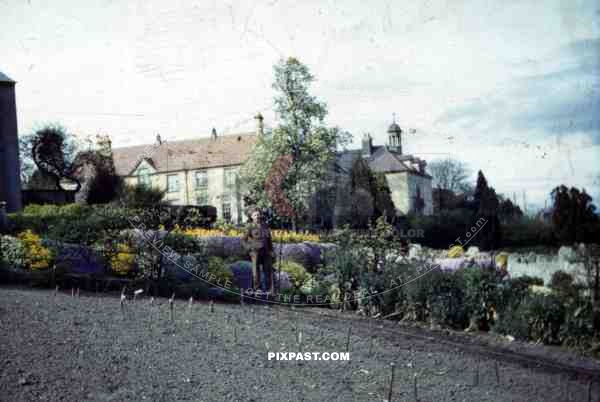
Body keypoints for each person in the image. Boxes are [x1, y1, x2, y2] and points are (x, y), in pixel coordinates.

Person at [243, 209, 275, 294]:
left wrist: (271, 250)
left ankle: (268, 289)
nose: (257, 216)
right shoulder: (249, 226)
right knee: (256, 271)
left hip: (266, 251)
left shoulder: (265, 226)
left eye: (258, 214)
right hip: (255, 252)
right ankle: (258, 289)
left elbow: (269, 239)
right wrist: (250, 248)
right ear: (252, 217)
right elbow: (244, 240)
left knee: (267, 270)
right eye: (255, 215)